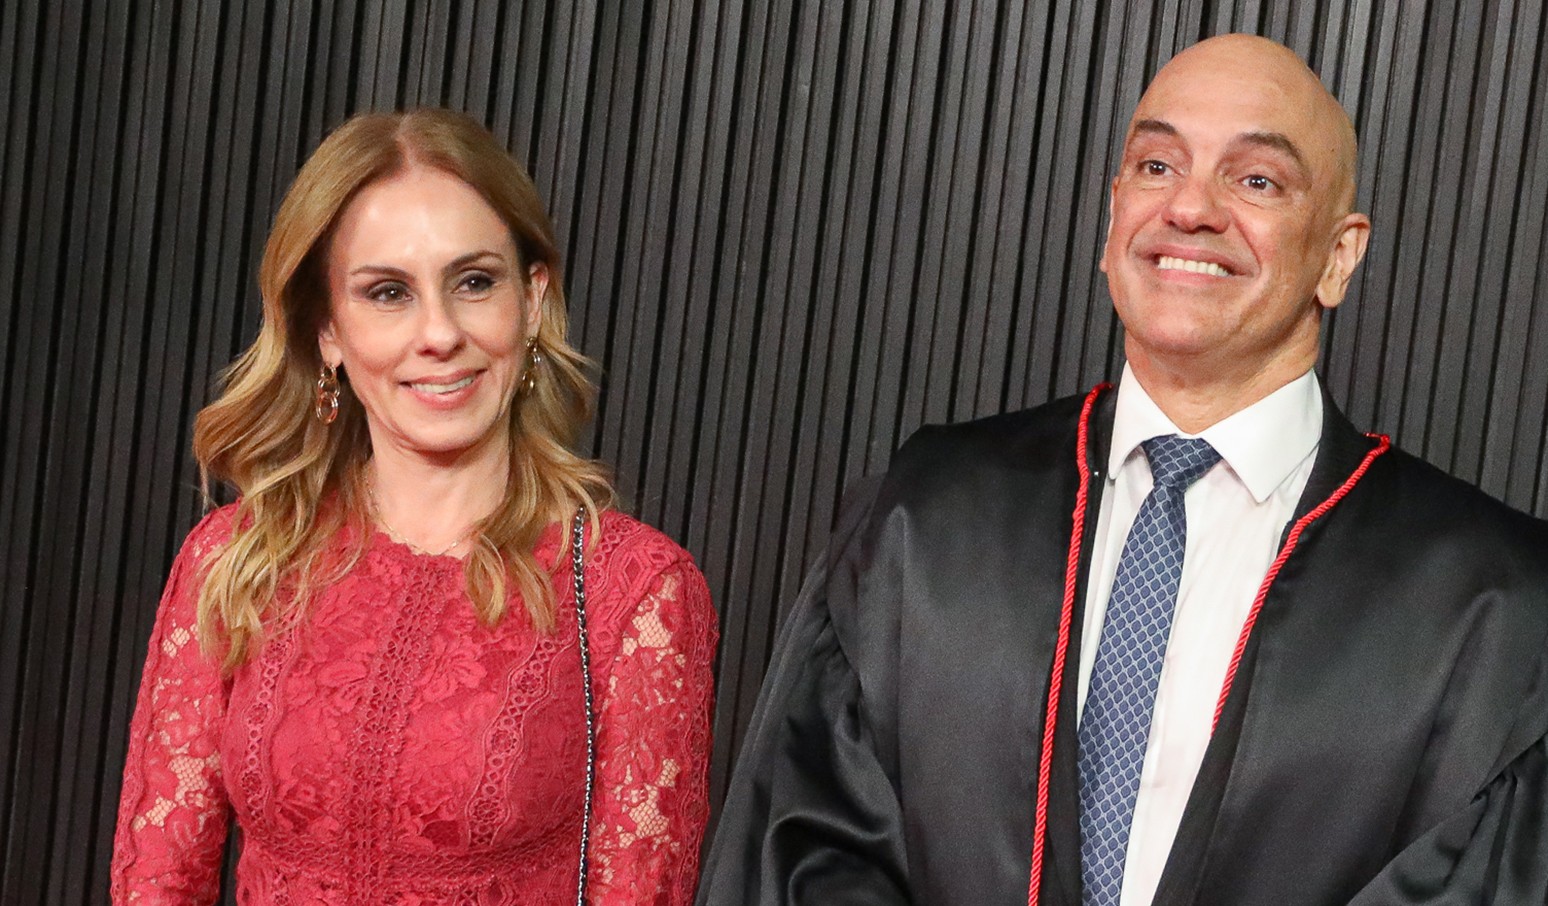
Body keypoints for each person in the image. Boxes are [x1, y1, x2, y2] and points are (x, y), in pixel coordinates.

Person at [698, 34, 1548, 906]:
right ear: (1112, 223)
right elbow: (803, 857)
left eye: (1256, 180)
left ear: (1339, 256)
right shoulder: (925, 524)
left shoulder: (1495, 610)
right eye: (1156, 166)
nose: (1191, 208)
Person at [112, 108, 718, 904]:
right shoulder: (236, 560)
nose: (439, 333)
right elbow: (157, 882)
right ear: (328, 331)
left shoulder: (633, 593)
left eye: (474, 282)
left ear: (532, 301)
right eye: (388, 292)